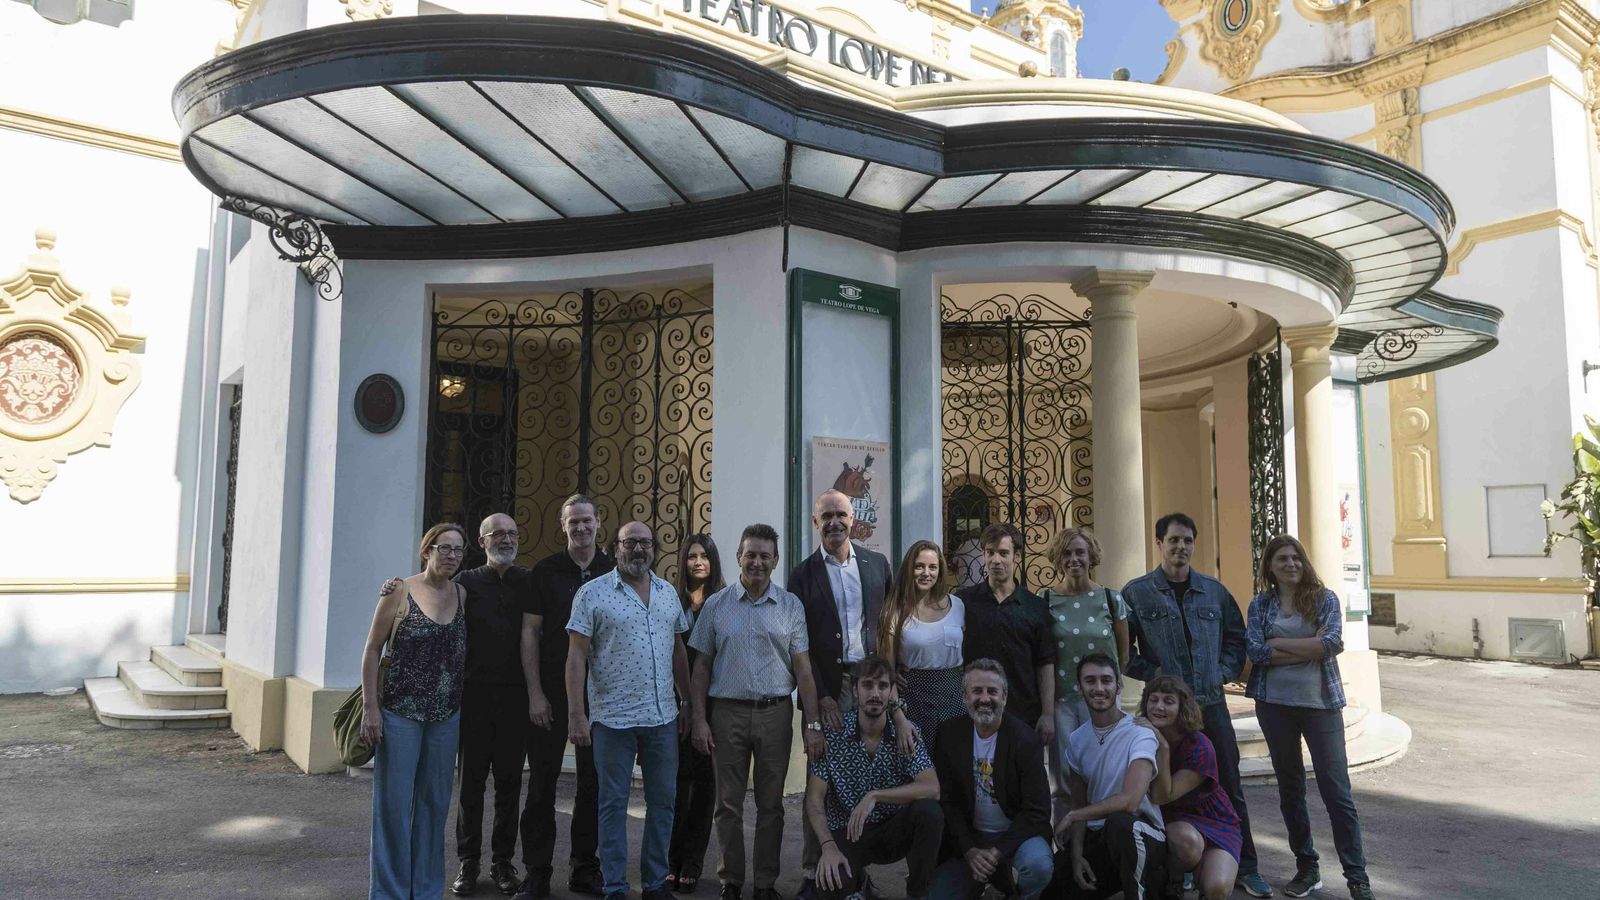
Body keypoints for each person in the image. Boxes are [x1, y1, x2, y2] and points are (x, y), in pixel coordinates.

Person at [1122, 512, 1266, 898]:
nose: (1180, 547)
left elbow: (1237, 638)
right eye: (1173, 540)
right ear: (1159, 543)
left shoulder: (1214, 591)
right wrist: (1154, 673)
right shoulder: (1137, 593)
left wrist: (1222, 670)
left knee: (1229, 784)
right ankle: (1182, 861)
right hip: (1167, 711)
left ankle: (1247, 865)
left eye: (1187, 540)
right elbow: (1123, 651)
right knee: (1162, 782)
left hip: (1210, 704)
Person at [689, 523, 826, 900]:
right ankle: (730, 880)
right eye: (751, 554)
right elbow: (700, 668)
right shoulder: (717, 605)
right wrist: (699, 718)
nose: (757, 562)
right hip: (726, 714)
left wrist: (812, 724)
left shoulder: (790, 606)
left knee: (771, 806)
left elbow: (803, 670)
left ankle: (764, 884)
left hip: (775, 714)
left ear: (776, 561)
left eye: (765, 556)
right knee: (728, 805)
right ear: (738, 557)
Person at [565, 521, 692, 900]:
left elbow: (678, 651)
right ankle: (616, 886)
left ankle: (654, 883)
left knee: (663, 802)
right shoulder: (593, 594)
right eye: (630, 542)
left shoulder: (668, 592)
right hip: (613, 718)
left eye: (645, 542)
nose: (638, 548)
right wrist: (575, 714)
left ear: (654, 547)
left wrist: (686, 702)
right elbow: (575, 656)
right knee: (613, 804)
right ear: (616, 547)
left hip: (662, 717)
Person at [1247, 535, 1375, 900]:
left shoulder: (1324, 599)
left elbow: (1332, 643)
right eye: (1282, 559)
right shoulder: (1260, 604)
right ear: (1269, 567)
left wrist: (1279, 644)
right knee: (1291, 790)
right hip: (1274, 706)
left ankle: (1357, 878)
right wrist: (1309, 648)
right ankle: (1307, 868)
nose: (1291, 564)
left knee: (1337, 792)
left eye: (1296, 558)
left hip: (1320, 705)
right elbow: (1256, 651)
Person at [788, 490, 897, 897]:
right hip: (825, 686)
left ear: (854, 520)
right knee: (822, 774)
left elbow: (886, 625)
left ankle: (857, 870)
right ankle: (813, 869)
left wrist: (888, 687)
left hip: (869, 683)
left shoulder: (876, 564)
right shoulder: (802, 574)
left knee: (864, 775)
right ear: (815, 523)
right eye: (826, 516)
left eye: (841, 515)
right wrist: (820, 699)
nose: (834, 522)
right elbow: (799, 644)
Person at [361, 523, 468, 900]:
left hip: (445, 717)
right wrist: (370, 709)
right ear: (427, 551)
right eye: (445, 548)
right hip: (399, 714)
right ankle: (389, 893)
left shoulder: (462, 593)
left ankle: (425, 891)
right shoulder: (399, 591)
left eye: (458, 549)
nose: (452, 555)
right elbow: (373, 649)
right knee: (392, 808)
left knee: (434, 806)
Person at [514, 495, 612, 900]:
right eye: (574, 521)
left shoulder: (614, 570)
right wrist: (535, 693)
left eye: (587, 520)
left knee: (593, 784)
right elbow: (530, 634)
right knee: (541, 785)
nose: (581, 527)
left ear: (598, 522)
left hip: (602, 697)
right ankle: (537, 872)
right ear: (563, 524)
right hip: (550, 695)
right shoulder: (545, 571)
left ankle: (584, 868)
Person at [805, 655, 943, 900]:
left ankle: (918, 893)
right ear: (855, 691)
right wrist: (827, 847)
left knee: (929, 812)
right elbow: (815, 799)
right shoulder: (833, 735)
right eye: (868, 685)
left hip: (893, 830)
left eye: (882, 686)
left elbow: (932, 788)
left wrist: (875, 796)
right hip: (848, 832)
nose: (875, 693)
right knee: (831, 888)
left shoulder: (906, 733)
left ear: (892, 693)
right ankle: (858, 880)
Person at [453, 514, 536, 896]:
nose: (506, 539)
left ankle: (503, 862)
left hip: (516, 698)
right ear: (482, 541)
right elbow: (430, 593)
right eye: (498, 534)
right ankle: (468, 863)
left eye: (512, 533)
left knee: (508, 785)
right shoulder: (465, 582)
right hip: (474, 697)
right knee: (471, 785)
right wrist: (396, 587)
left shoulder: (528, 581)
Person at [928, 659, 1054, 900]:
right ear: (964, 696)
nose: (984, 699)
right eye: (977, 691)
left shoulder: (1025, 740)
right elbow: (947, 801)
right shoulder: (948, 734)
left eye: (992, 691)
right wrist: (970, 850)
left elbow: (1037, 811)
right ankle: (990, 882)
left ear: (1004, 696)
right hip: (971, 838)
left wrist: (997, 853)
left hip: (1015, 836)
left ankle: (1014, 890)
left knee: (1038, 866)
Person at [1046, 653, 1167, 900]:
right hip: (1101, 837)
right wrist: (1077, 855)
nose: (1099, 688)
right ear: (1080, 688)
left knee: (1120, 823)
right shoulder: (1077, 740)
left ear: (1118, 686)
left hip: (1143, 832)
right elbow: (1080, 804)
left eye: (1106, 680)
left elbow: (1130, 801)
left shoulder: (1139, 733)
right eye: (1090, 681)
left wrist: (1072, 816)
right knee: (1053, 886)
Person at [1040, 528, 1130, 824]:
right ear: (1057, 559)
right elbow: (1043, 655)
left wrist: (1113, 689)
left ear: (1091, 556)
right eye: (1067, 553)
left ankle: (1102, 845)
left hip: (1103, 702)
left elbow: (1122, 653)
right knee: (1064, 780)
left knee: (1106, 774)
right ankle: (1064, 845)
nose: (1074, 559)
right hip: (1062, 701)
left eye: (1080, 552)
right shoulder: (1046, 600)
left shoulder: (1110, 599)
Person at [1140, 675, 1241, 900]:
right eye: (1153, 700)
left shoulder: (1200, 746)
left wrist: (1163, 748)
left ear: (1182, 707)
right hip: (1171, 821)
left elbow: (1163, 795)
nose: (1158, 707)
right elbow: (1158, 803)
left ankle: (1194, 873)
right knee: (1188, 843)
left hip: (1213, 818)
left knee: (1217, 889)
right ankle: (1173, 879)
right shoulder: (1139, 738)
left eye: (1168, 701)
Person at [956, 524, 1055, 746]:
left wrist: (1048, 714)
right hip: (976, 712)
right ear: (983, 554)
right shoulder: (964, 602)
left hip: (1024, 713)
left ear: (1017, 556)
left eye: (1003, 553)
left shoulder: (1036, 607)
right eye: (990, 553)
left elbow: (1045, 662)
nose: (995, 560)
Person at [667, 535, 725, 894]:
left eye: (704, 556)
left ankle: (692, 860)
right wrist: (681, 701)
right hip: (674, 704)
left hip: (714, 705)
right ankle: (671, 859)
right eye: (692, 556)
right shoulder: (671, 601)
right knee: (675, 784)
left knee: (705, 784)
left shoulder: (722, 602)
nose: (698, 562)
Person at [877, 540, 966, 754]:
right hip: (913, 699)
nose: (926, 573)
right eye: (919, 566)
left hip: (955, 697)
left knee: (953, 768)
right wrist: (898, 717)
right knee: (917, 768)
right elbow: (887, 673)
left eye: (932, 567)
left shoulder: (958, 606)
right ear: (910, 568)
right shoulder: (894, 612)